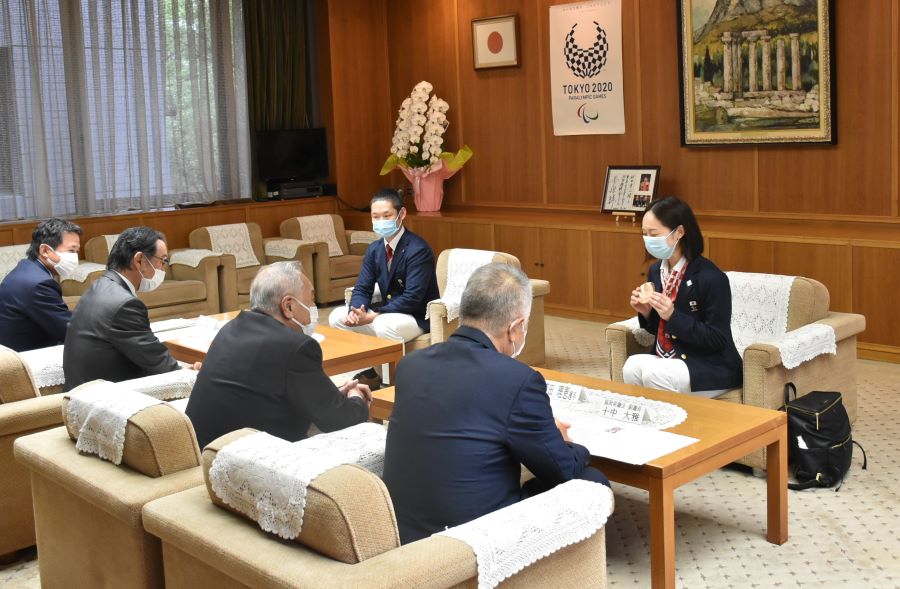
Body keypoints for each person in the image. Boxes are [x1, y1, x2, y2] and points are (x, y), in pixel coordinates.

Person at [382, 263, 610, 544]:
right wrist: (569, 445)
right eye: (524, 325)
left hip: (404, 530)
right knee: (591, 481)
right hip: (474, 538)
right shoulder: (518, 380)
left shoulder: (410, 365)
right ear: (514, 328)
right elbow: (561, 469)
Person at [186, 261, 371, 448]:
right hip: (248, 462)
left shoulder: (231, 328)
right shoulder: (297, 347)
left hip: (204, 451)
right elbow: (340, 421)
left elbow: (266, 392)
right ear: (288, 306)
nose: (313, 308)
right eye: (311, 301)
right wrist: (356, 397)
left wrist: (330, 395)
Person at [624, 196, 742, 396]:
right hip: (672, 358)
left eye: (654, 233)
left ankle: (670, 425)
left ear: (679, 232)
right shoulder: (656, 271)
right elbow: (661, 328)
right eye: (644, 234)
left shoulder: (711, 278)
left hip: (709, 364)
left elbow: (717, 338)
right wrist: (646, 313)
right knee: (631, 366)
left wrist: (672, 315)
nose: (648, 240)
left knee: (655, 373)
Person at [328, 188, 440, 388]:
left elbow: (413, 297)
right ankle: (375, 371)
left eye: (386, 216)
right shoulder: (374, 249)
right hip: (388, 314)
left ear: (401, 214)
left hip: (415, 317)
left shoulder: (418, 249)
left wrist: (375, 315)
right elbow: (362, 287)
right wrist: (357, 310)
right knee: (337, 317)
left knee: (383, 325)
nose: (381, 222)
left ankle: (393, 384)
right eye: (375, 217)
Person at [63, 226, 186, 391]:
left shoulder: (100, 286)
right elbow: (159, 363)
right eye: (162, 261)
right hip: (105, 399)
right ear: (140, 260)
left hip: (84, 391)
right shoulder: (124, 305)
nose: (162, 270)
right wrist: (186, 373)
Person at [0, 218, 83, 352]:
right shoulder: (39, 284)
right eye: (71, 251)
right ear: (45, 250)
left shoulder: (27, 268)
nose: (75, 258)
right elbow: (70, 331)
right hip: (26, 358)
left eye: (77, 252)